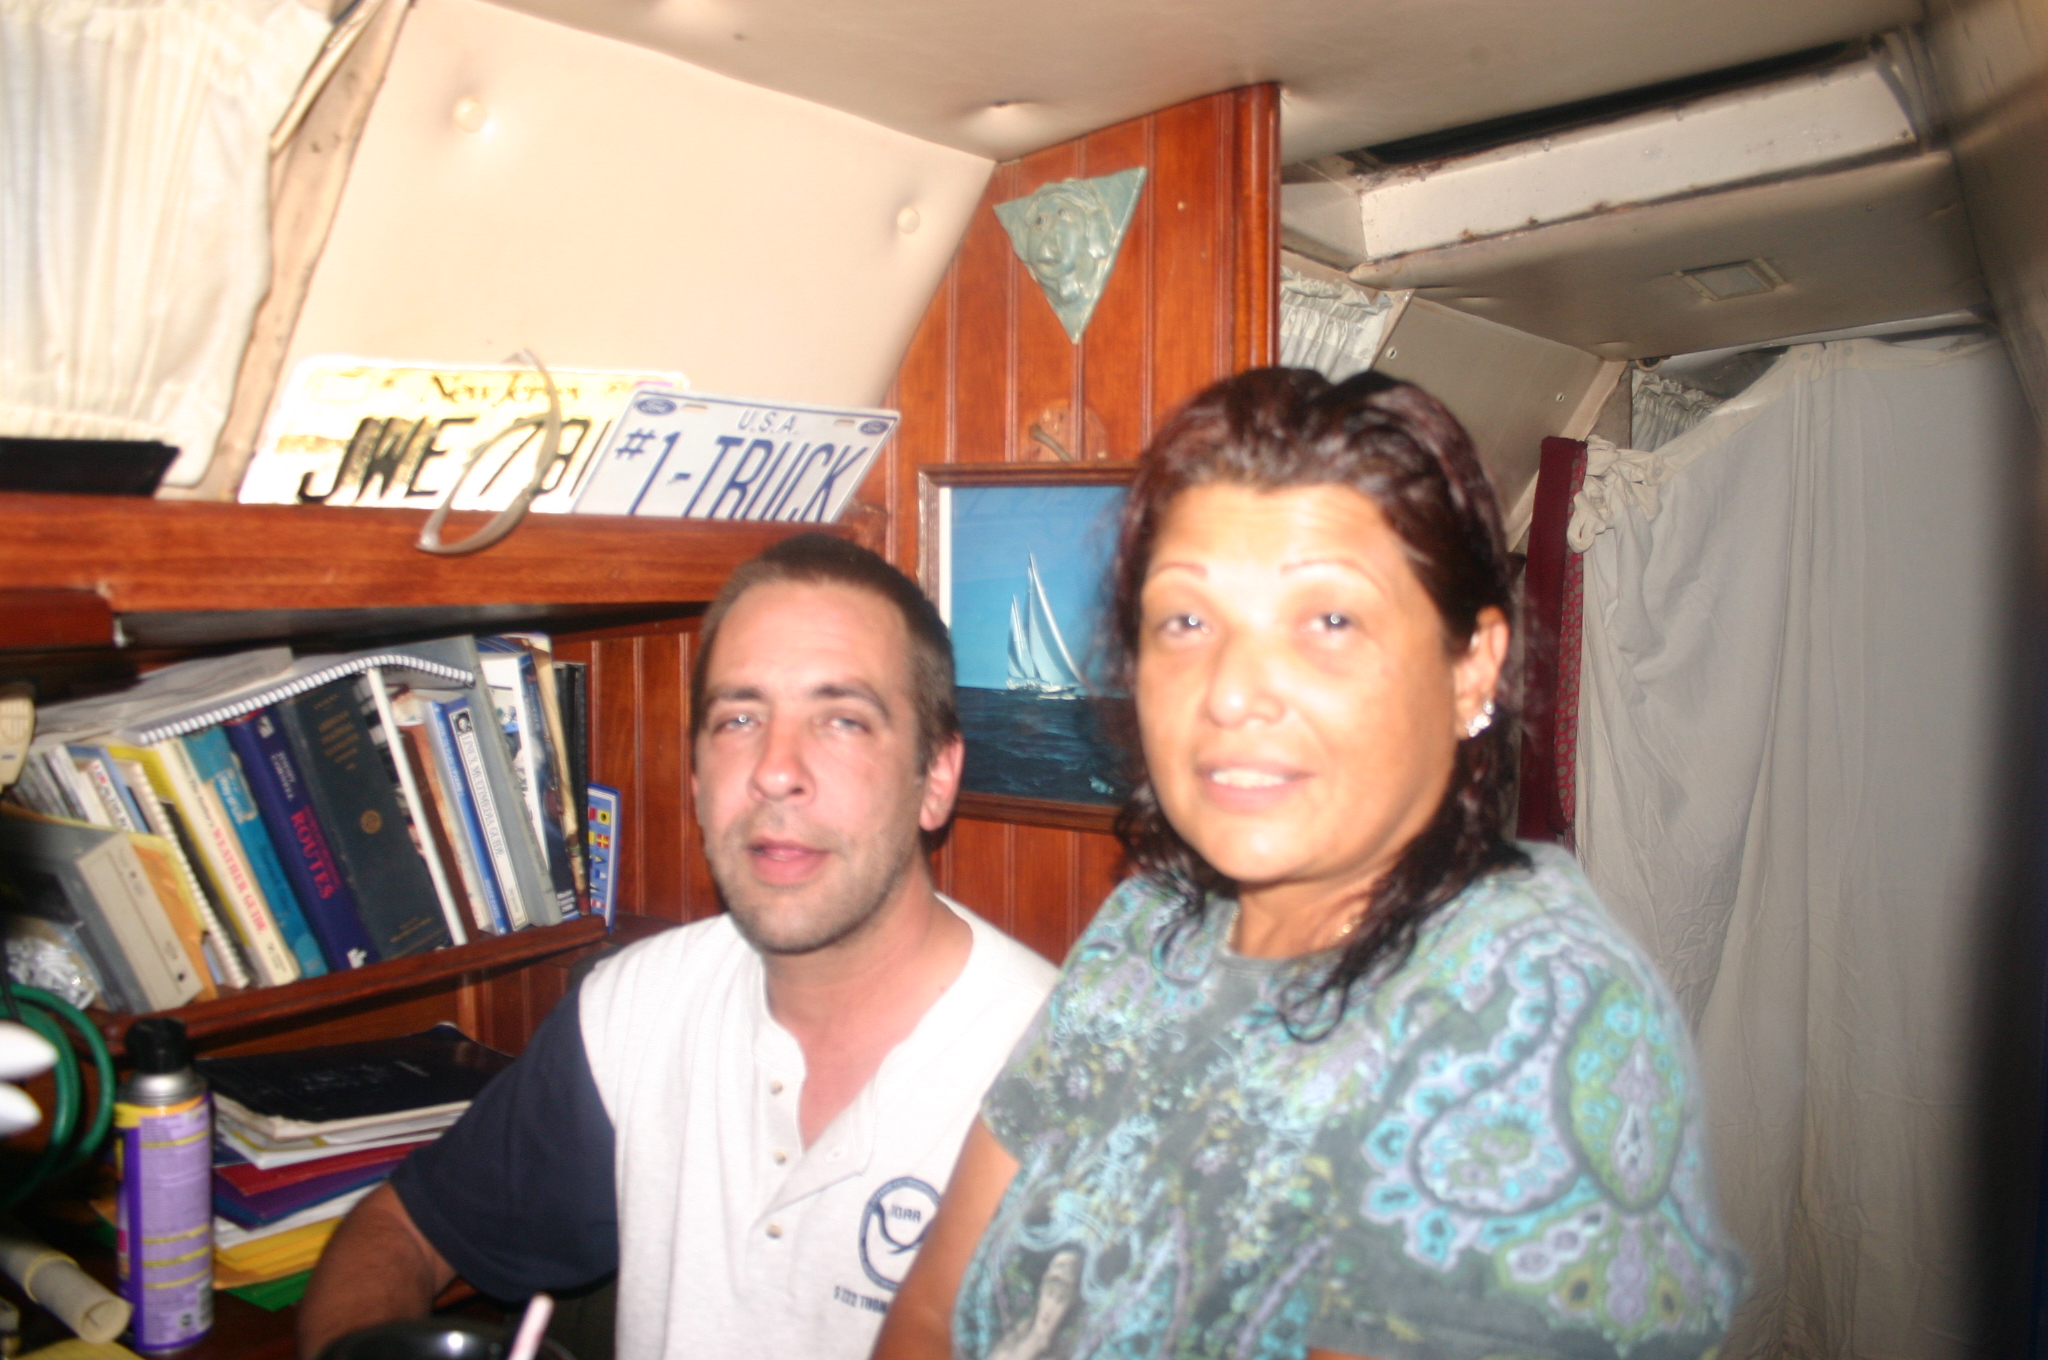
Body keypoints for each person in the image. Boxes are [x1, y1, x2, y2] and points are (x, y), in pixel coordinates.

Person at [874, 370, 1744, 1360]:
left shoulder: (1530, 1013)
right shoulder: (1147, 929)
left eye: (1329, 619)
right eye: (1186, 621)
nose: (1231, 691)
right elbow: (932, 1306)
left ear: (1471, 668)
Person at [298, 535, 1057, 1360]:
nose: (775, 771)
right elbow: (402, 1231)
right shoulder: (635, 1011)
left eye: (842, 720)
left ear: (935, 778)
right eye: (739, 719)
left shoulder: (1072, 1076)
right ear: (696, 779)